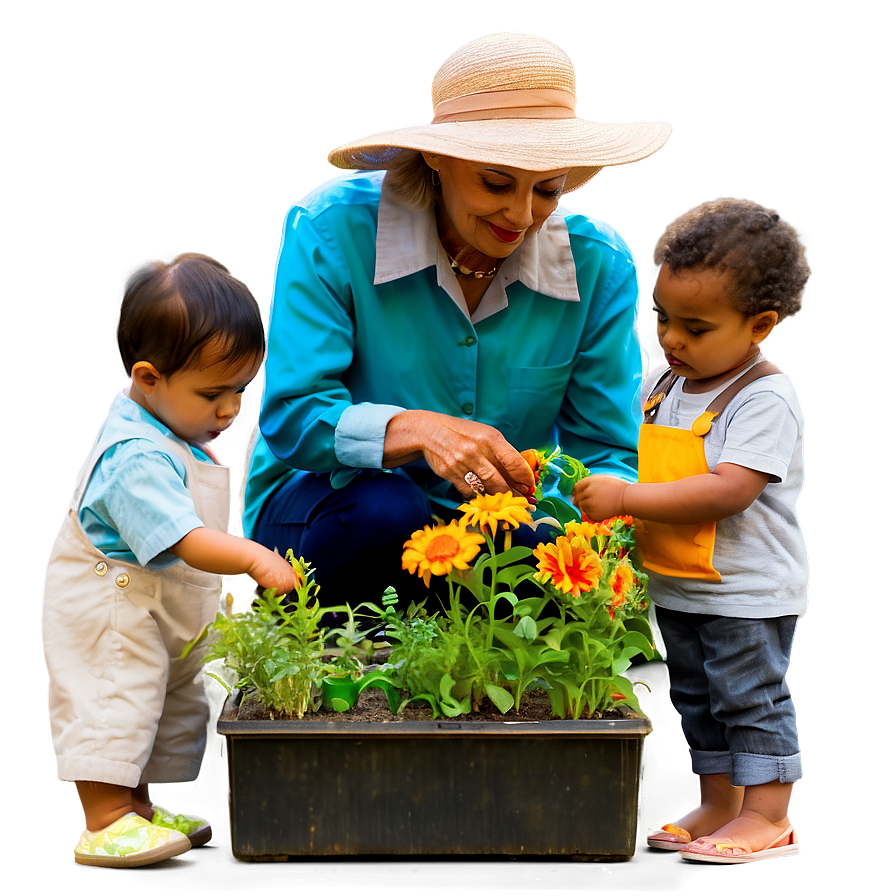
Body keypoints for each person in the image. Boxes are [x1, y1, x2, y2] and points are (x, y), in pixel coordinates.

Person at [244, 30, 674, 607]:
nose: (521, 215)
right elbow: (296, 418)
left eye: (547, 189)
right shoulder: (332, 230)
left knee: (541, 542)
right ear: (438, 158)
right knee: (386, 509)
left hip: (493, 528)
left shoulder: (600, 265)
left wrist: (554, 535)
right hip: (330, 506)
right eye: (496, 182)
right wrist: (418, 431)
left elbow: (604, 453)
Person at [573, 198, 810, 863]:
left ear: (759, 323)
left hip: (746, 590)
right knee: (696, 700)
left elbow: (730, 490)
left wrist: (628, 497)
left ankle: (768, 814)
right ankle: (716, 802)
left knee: (750, 699)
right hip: (680, 584)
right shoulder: (664, 384)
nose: (672, 339)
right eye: (662, 318)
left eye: (696, 328)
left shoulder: (765, 397)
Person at [41, 253, 297, 867]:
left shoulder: (167, 433)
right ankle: (106, 818)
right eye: (213, 393)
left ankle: (139, 811)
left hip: (150, 605)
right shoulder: (133, 454)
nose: (231, 409)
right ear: (149, 378)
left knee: (154, 704)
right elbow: (184, 538)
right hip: (113, 608)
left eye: (240, 389)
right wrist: (254, 558)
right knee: (115, 700)